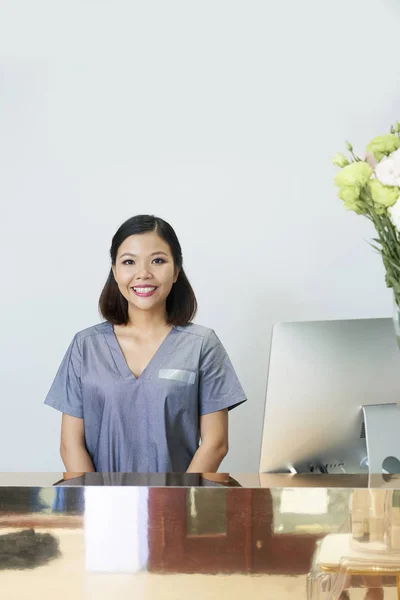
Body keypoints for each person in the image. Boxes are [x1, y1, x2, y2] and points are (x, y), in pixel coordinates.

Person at [44, 214, 247, 473]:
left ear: (175, 271)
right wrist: (96, 503)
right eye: (129, 262)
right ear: (115, 272)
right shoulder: (85, 346)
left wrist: (177, 503)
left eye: (158, 261)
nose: (143, 274)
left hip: (177, 505)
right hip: (101, 505)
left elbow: (216, 443)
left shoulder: (202, 345)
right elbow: (70, 444)